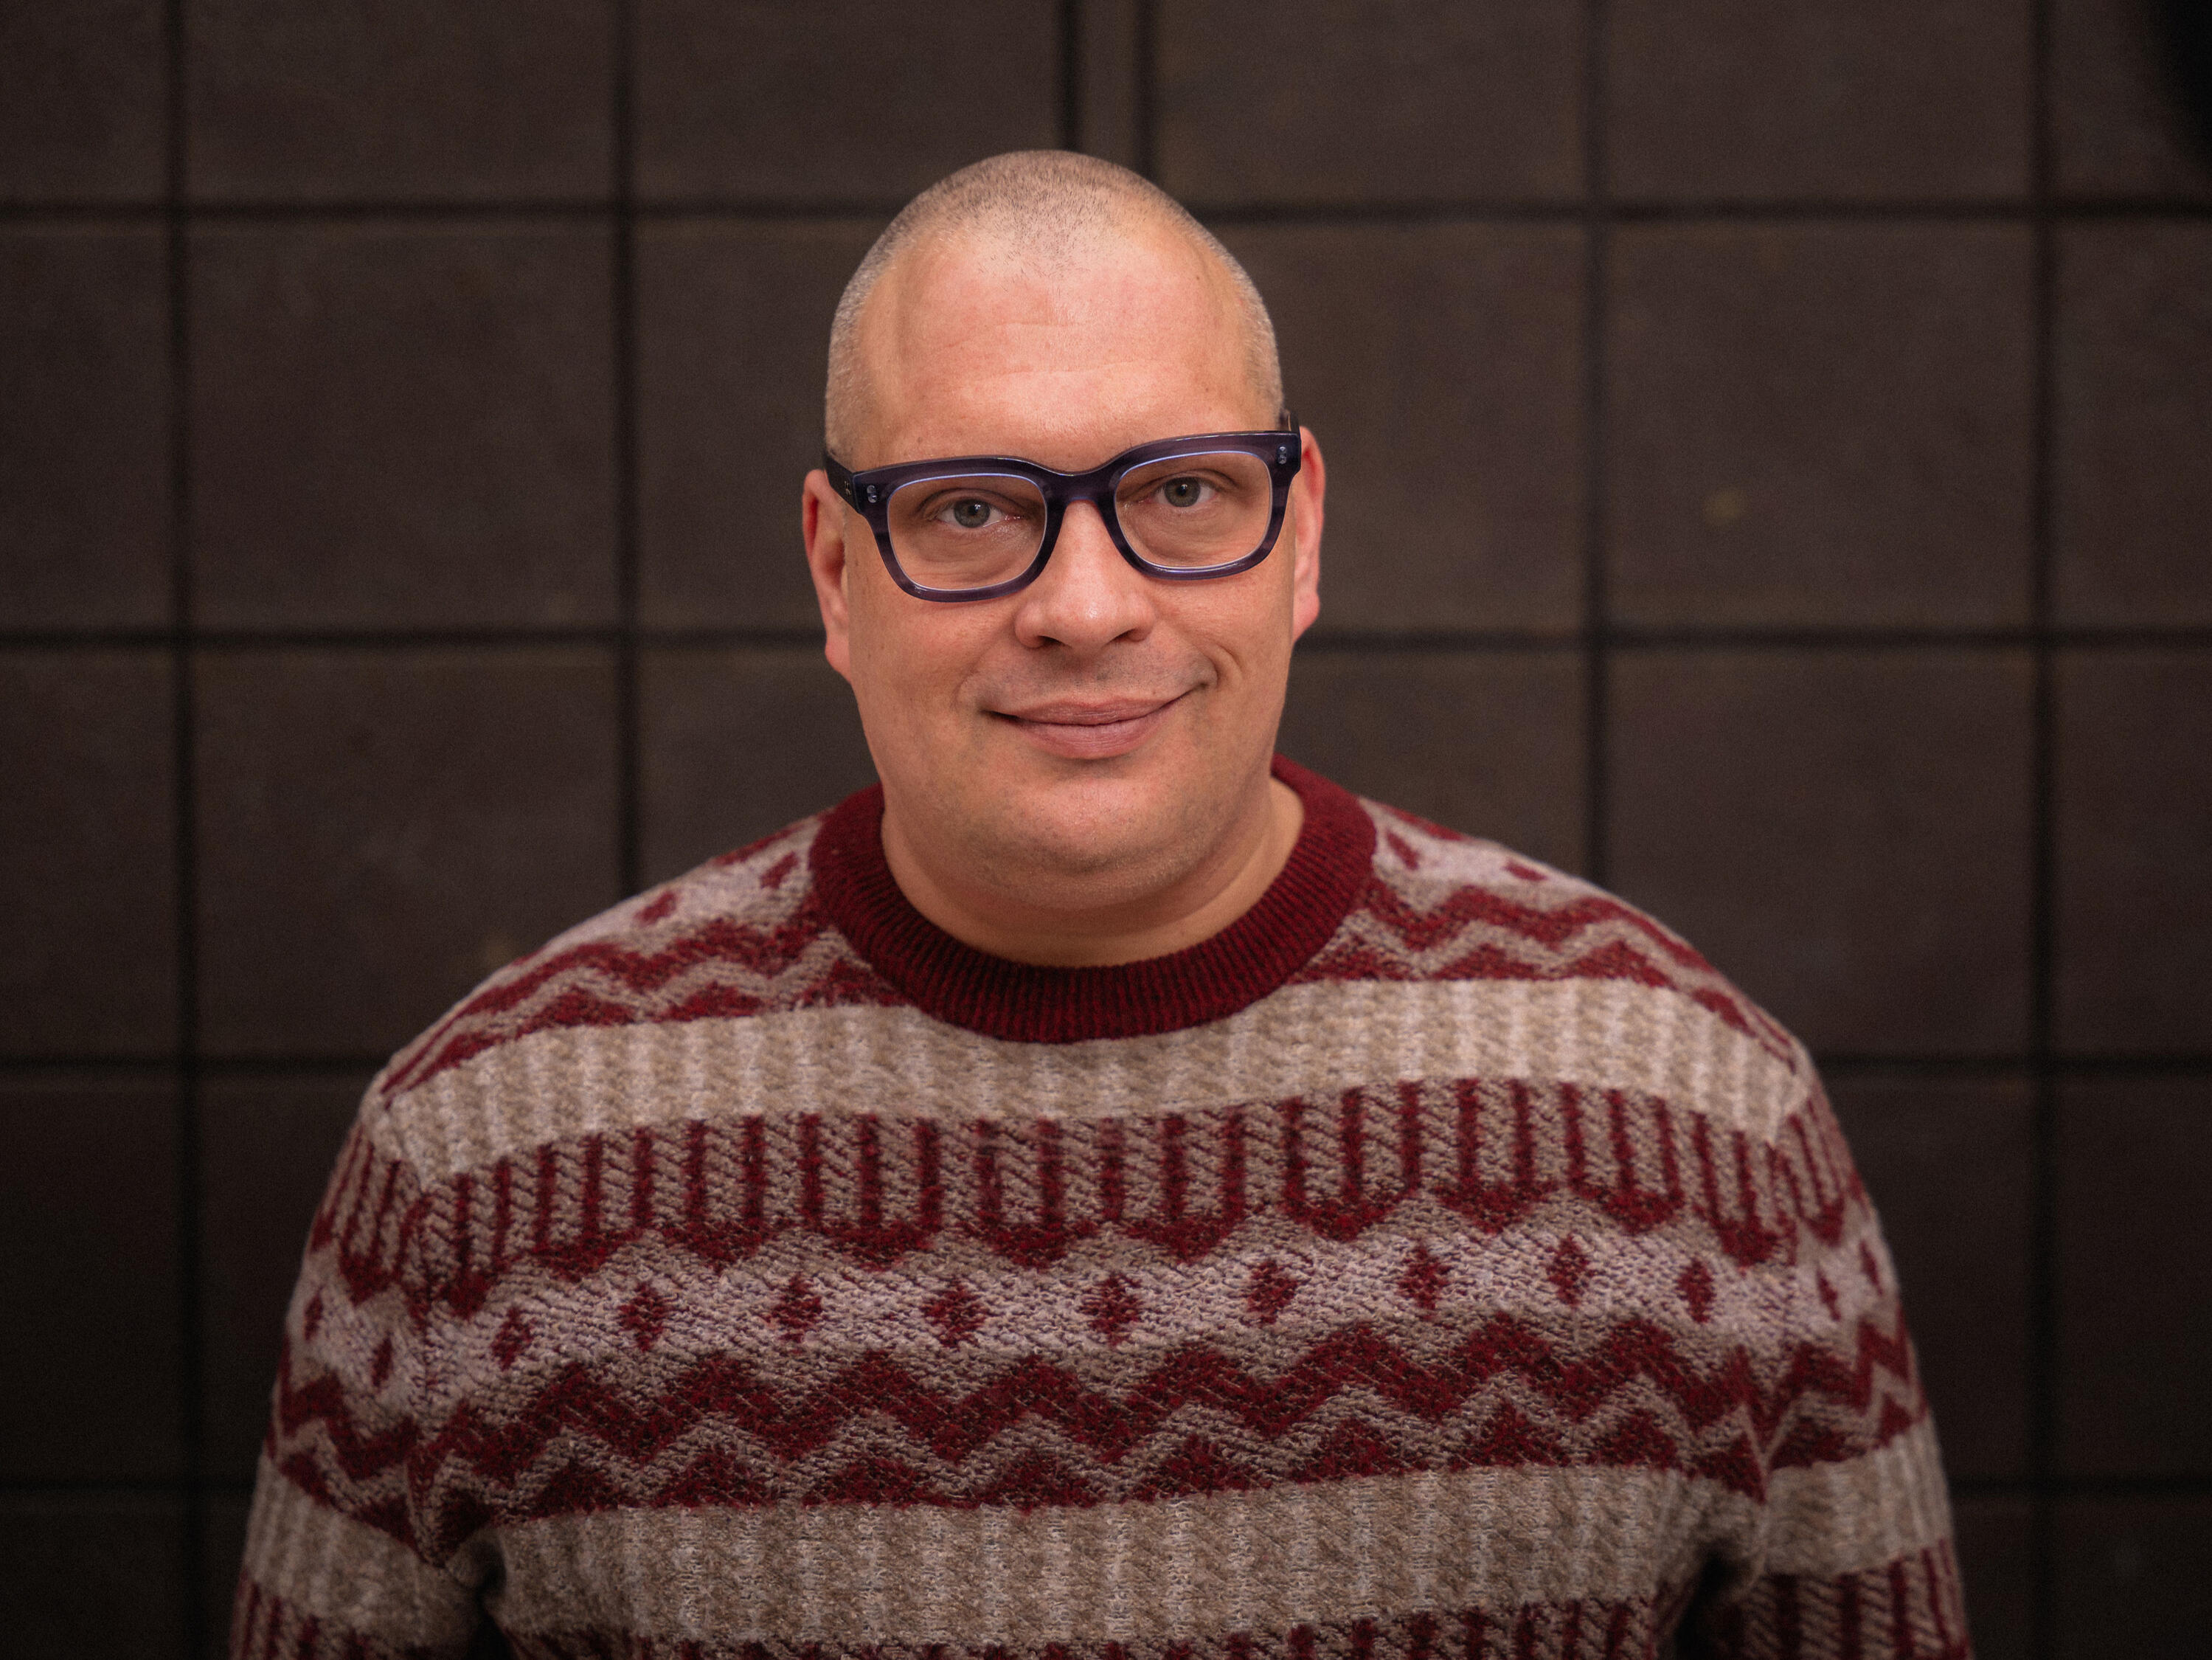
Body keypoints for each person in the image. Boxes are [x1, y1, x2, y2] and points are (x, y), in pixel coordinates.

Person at [232, 152, 1969, 1659]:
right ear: (836, 569)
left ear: (1301, 535)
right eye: (971, 509)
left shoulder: (1696, 1123)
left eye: (1180, 494)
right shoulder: (483, 1165)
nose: (1084, 605)